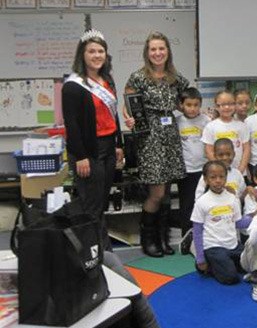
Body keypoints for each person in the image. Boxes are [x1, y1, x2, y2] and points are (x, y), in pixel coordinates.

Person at [124, 32, 189, 257]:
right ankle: (148, 239)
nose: (157, 53)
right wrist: (129, 118)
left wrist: (200, 113)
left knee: (167, 191)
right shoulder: (138, 77)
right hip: (149, 135)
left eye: (161, 48)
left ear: (167, 51)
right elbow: (128, 104)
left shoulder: (175, 77)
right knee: (157, 192)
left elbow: (186, 102)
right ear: (147, 52)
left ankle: (164, 239)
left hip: (170, 132)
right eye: (153, 49)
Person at [62, 29, 123, 251]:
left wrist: (118, 144)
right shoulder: (73, 85)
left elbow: (113, 115)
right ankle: (96, 252)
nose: (97, 55)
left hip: (108, 146)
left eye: (101, 51)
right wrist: (81, 157)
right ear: (83, 54)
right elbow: (72, 125)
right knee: (91, 206)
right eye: (91, 51)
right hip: (89, 150)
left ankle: (99, 251)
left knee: (101, 203)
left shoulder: (107, 80)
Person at [191, 161, 243, 285]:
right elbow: (197, 230)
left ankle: (226, 262)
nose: (218, 180)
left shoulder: (232, 198)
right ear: (206, 179)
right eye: (213, 177)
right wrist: (200, 257)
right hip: (213, 246)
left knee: (251, 266)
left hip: (233, 245)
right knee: (231, 278)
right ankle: (208, 264)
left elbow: (238, 223)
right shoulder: (202, 201)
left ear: (226, 178)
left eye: (221, 177)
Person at [175, 87, 210, 238]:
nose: (192, 108)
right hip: (186, 171)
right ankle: (186, 236)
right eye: (189, 105)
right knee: (187, 204)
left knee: (204, 203)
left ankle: (204, 236)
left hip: (203, 170)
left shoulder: (206, 121)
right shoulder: (177, 122)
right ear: (181, 105)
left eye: (196, 105)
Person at [201, 90, 251, 176]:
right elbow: (209, 150)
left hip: (239, 172)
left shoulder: (242, 126)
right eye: (223, 105)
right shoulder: (210, 126)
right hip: (219, 174)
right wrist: (218, 169)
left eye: (231, 104)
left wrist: (241, 169)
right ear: (216, 106)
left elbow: (246, 149)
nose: (227, 107)